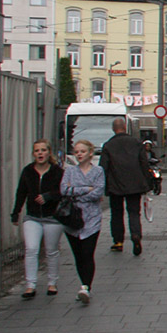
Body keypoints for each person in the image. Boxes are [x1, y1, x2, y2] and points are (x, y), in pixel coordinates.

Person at [9, 139, 64, 299]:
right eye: (37, 151)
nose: (40, 153)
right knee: (31, 249)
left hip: (52, 217)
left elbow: (64, 191)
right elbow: (21, 192)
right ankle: (30, 285)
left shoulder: (57, 171)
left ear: (49, 152)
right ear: (33, 154)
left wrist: (49, 196)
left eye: (43, 150)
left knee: (51, 250)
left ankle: (52, 282)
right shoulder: (28, 171)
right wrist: (16, 212)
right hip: (32, 216)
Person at [61, 139, 106, 304]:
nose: (79, 154)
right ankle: (83, 283)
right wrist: (86, 189)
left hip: (91, 218)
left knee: (88, 253)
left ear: (90, 153)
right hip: (72, 218)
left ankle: (86, 287)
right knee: (78, 255)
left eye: (82, 151)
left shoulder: (98, 171)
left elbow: (98, 192)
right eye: (77, 152)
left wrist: (76, 192)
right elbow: (64, 190)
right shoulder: (70, 171)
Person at [100, 117, 150, 255]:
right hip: (135, 185)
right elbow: (144, 163)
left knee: (116, 213)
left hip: (115, 185)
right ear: (125, 127)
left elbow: (103, 167)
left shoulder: (108, 145)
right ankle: (136, 235)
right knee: (134, 212)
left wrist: (103, 186)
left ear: (113, 129)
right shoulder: (136, 143)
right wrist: (147, 183)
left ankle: (118, 241)